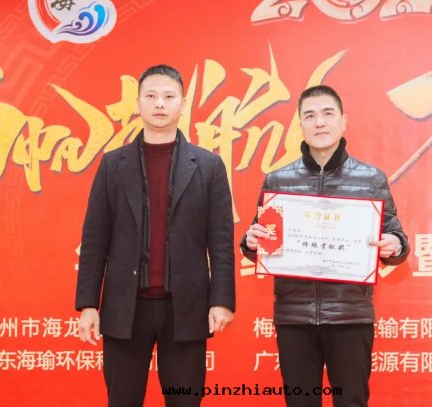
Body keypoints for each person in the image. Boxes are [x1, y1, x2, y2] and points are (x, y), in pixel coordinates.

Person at [76, 64, 235, 407]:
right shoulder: (113, 164)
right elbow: (94, 240)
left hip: (186, 307)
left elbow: (221, 241)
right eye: (151, 96)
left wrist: (221, 300)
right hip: (125, 306)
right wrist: (88, 304)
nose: (159, 104)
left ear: (183, 104)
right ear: (138, 103)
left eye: (168, 96)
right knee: (123, 400)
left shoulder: (208, 166)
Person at [240, 85, 409, 407]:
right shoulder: (278, 180)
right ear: (300, 125)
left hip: (350, 317)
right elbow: (259, 241)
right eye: (310, 116)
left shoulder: (371, 179)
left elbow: (398, 239)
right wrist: (250, 242)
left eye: (328, 114)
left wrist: (394, 245)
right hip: (294, 317)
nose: (319, 122)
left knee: (351, 402)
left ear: (343, 121)